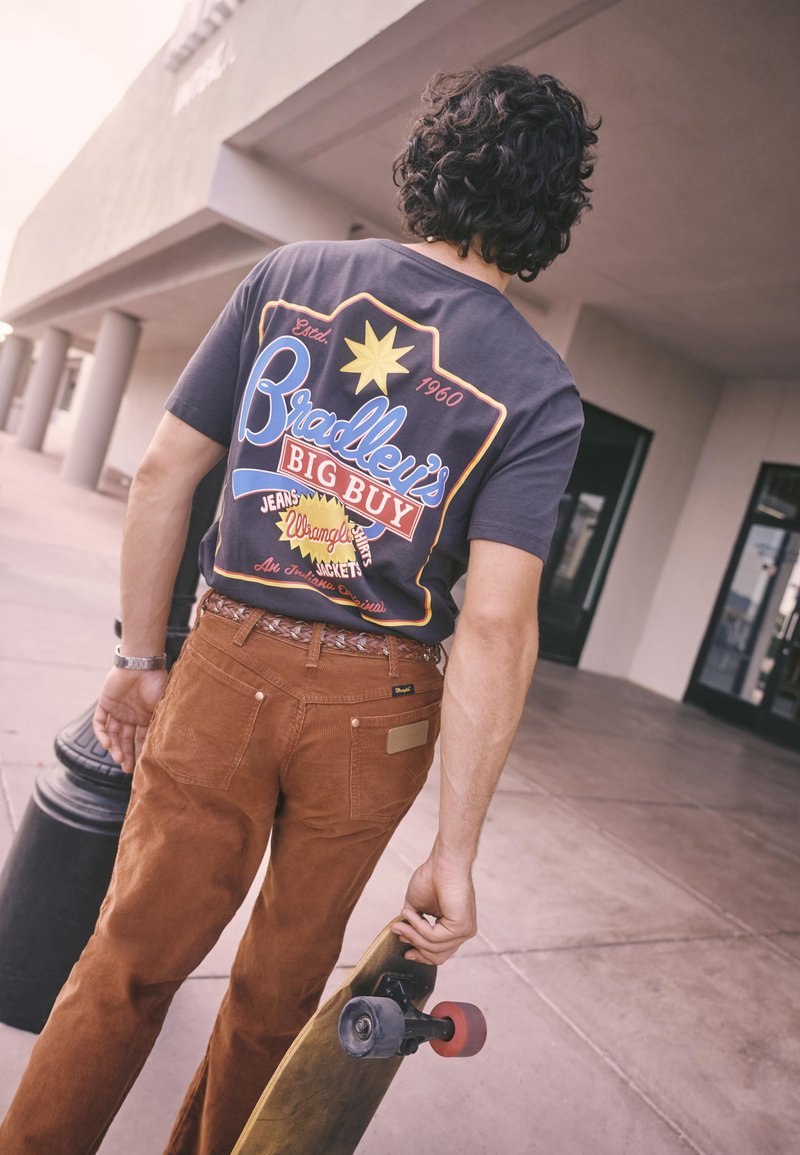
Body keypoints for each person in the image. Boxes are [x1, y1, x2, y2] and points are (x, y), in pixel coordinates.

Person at [0, 64, 599, 1154]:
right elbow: (497, 628)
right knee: (278, 1003)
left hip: (226, 661)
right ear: (554, 216)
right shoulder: (536, 385)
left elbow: (161, 475)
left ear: (427, 168)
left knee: (125, 962)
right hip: (379, 713)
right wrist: (454, 853)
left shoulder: (291, 278)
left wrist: (139, 657)